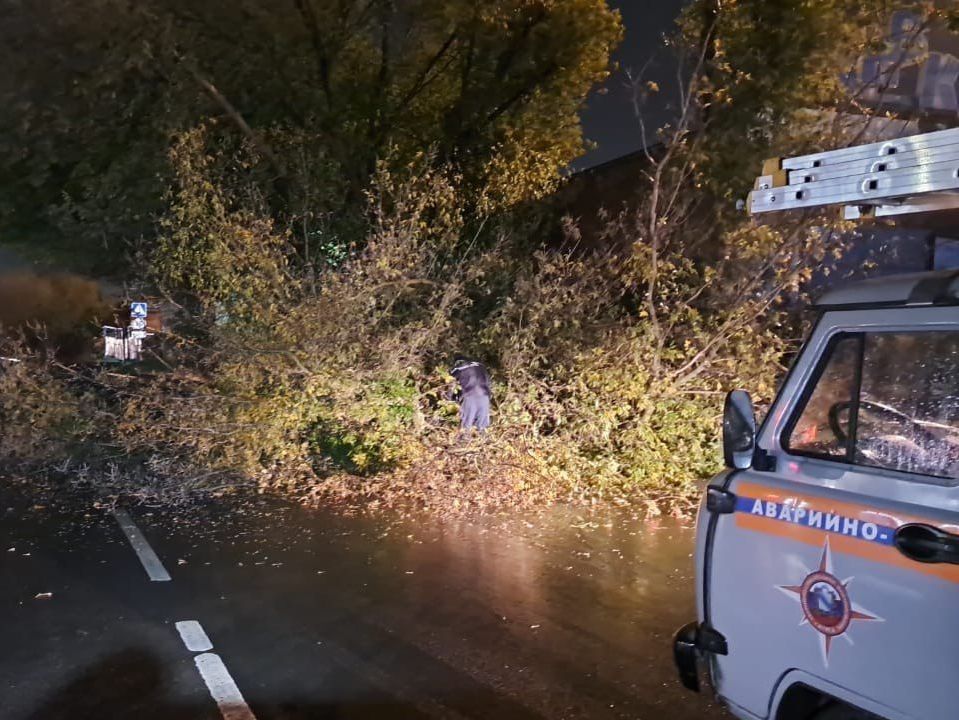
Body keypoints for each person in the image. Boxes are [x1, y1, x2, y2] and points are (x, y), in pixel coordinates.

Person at [450, 355, 491, 434]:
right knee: (482, 427)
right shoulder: (481, 366)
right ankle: (484, 444)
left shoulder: (458, 369)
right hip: (485, 396)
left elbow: (451, 386)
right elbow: (488, 382)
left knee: (466, 427)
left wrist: (451, 400)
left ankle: (464, 443)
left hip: (470, 396)